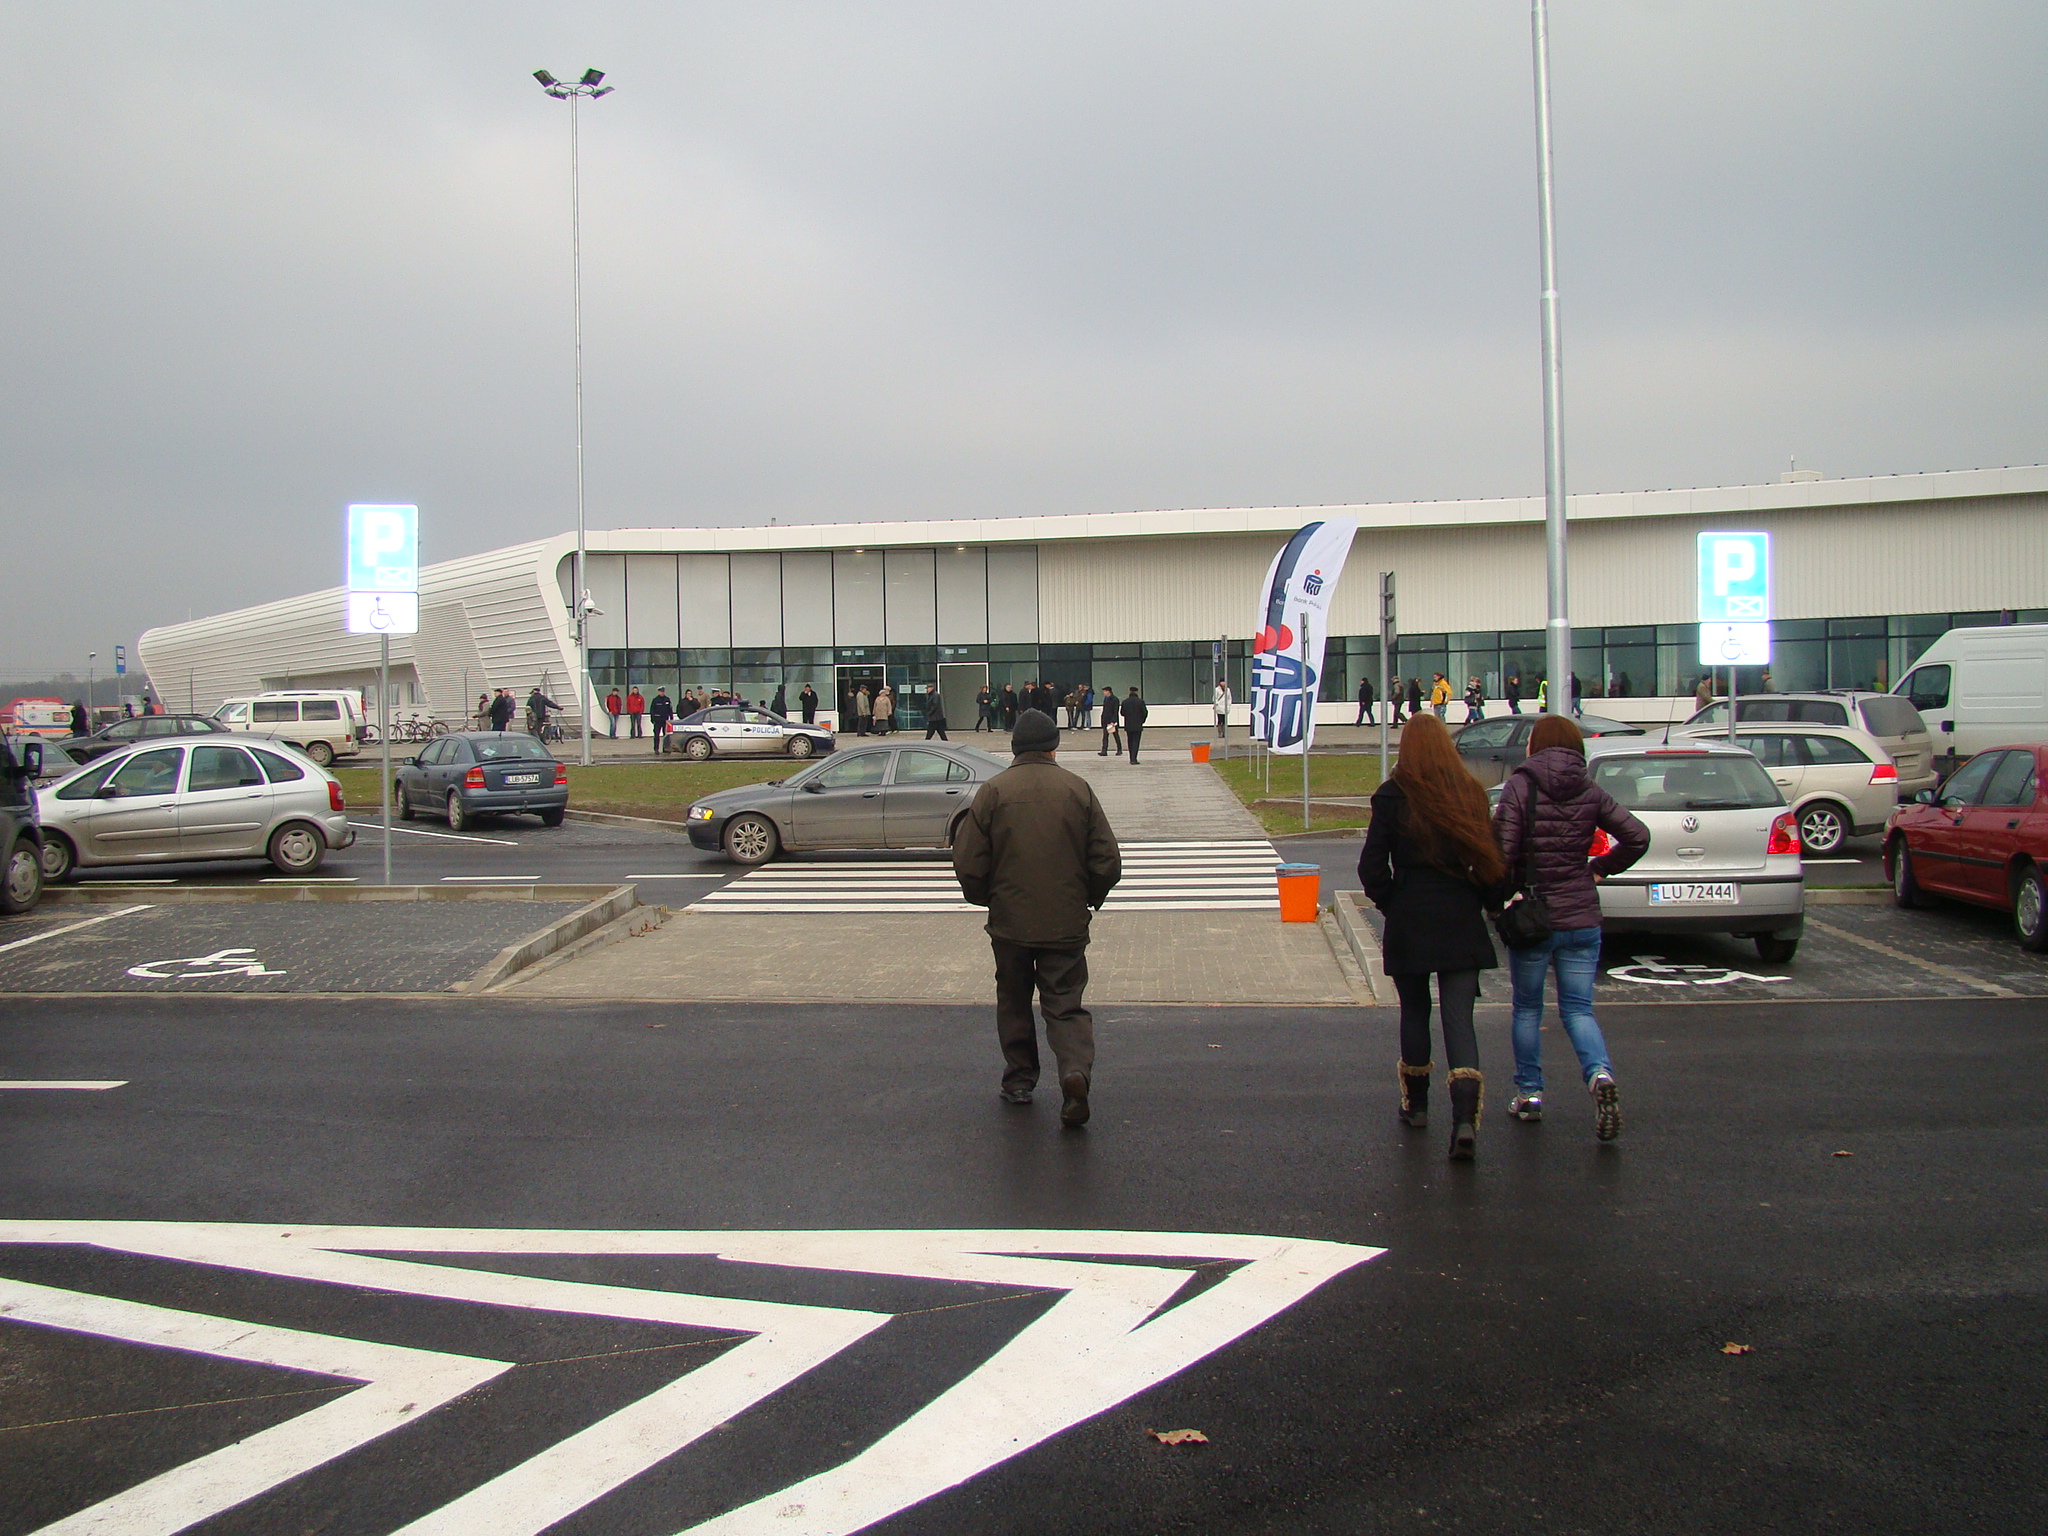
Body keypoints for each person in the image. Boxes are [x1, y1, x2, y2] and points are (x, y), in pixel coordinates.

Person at [952, 708, 1122, 1127]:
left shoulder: (993, 791)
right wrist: (1089, 899)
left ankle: (1020, 1081)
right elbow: (1107, 862)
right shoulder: (1077, 789)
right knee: (1065, 1004)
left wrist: (985, 899)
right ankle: (1074, 1072)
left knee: (1013, 1000)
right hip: (1065, 923)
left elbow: (969, 861)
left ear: (1013, 749)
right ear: (1054, 747)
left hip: (1009, 922)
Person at [1491, 712, 1649, 1139]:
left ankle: (1529, 1095)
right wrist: (1599, 868)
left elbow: (1502, 854)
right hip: (1582, 914)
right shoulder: (1588, 787)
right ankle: (1599, 1074)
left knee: (1527, 1008)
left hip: (1535, 916)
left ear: (1534, 746)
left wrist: (1504, 897)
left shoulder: (1520, 787)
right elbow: (1638, 835)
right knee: (1578, 1008)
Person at [1360, 714, 1510, 1159]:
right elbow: (1488, 862)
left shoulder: (1391, 796)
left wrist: (1393, 902)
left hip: (1410, 917)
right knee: (1459, 1018)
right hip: (1459, 915)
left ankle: (1418, 1106)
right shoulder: (1468, 793)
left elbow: (1371, 869)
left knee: (1415, 1011)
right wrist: (1487, 901)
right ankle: (1465, 1119)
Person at [1122, 685, 1148, 764]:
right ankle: (1134, 758)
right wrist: (1142, 721)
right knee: (1136, 742)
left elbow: (1122, 713)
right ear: (1137, 692)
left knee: (1130, 741)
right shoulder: (1140, 701)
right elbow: (1145, 713)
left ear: (1129, 691)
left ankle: (1131, 758)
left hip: (1128, 725)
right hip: (1137, 725)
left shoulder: (1125, 702)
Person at [647, 687, 674, 751]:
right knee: (656, 735)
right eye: (661, 692)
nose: (662, 693)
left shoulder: (667, 699)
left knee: (666, 735)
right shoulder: (655, 700)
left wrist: (671, 718)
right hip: (657, 720)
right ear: (658, 692)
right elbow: (652, 710)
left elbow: (670, 710)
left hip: (665, 720)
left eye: (663, 691)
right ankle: (656, 748)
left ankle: (665, 748)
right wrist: (652, 719)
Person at [1098, 686, 1121, 756]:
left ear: (1108, 691)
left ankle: (1119, 749)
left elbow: (1115, 711)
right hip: (1106, 720)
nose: (1103, 693)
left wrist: (1113, 721)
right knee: (1105, 736)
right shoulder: (1106, 699)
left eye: (1104, 691)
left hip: (1111, 721)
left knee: (1115, 735)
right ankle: (1104, 750)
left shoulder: (1114, 699)